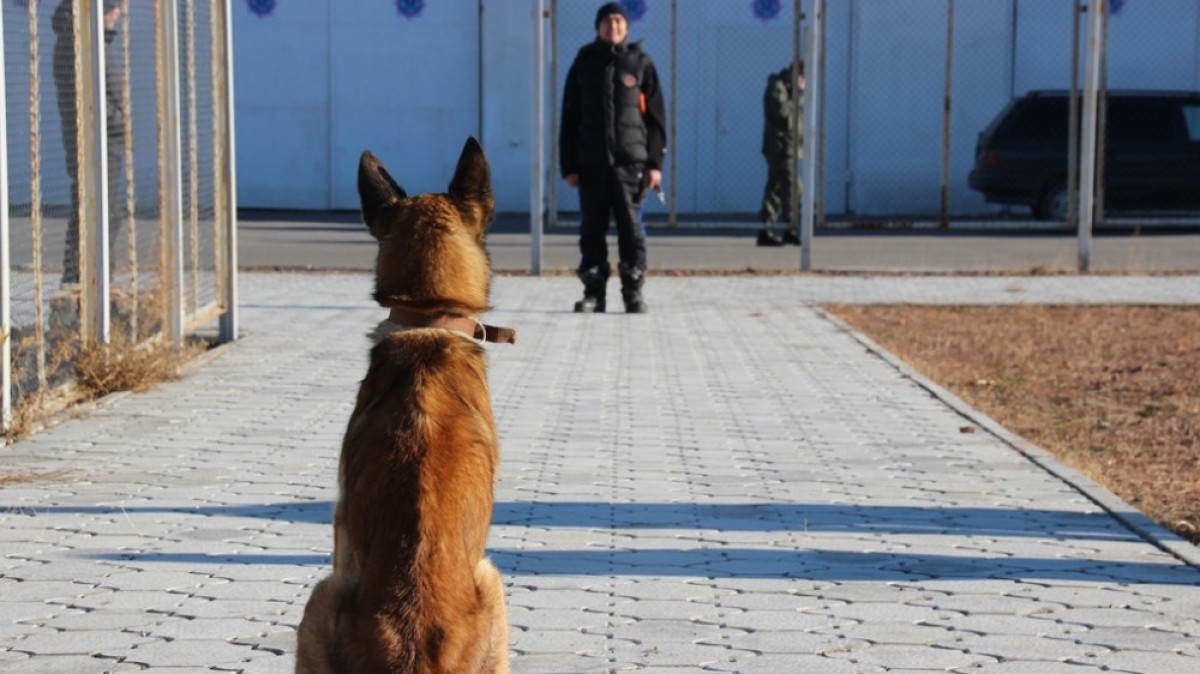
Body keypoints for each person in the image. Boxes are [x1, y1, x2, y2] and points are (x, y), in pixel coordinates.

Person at [560, 2, 666, 313]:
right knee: (592, 229)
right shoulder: (584, 62)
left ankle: (633, 292)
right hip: (591, 164)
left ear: (627, 27)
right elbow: (569, 117)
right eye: (607, 21)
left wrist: (654, 164)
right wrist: (569, 165)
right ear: (598, 26)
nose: (613, 27)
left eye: (619, 21)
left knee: (631, 229)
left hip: (630, 163)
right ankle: (594, 293)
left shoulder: (641, 63)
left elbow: (656, 119)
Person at [53, 0, 126, 288]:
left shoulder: (96, 44)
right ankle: (82, 278)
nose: (119, 14)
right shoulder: (81, 46)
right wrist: (117, 117)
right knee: (99, 211)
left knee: (104, 212)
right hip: (95, 140)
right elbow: (89, 97)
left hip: (105, 137)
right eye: (116, 7)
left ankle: (93, 277)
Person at [757, 60, 804, 247]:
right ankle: (789, 229)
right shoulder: (777, 87)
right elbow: (784, 113)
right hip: (780, 147)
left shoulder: (788, 90)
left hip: (788, 147)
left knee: (775, 191)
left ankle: (765, 229)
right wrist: (798, 93)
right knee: (793, 188)